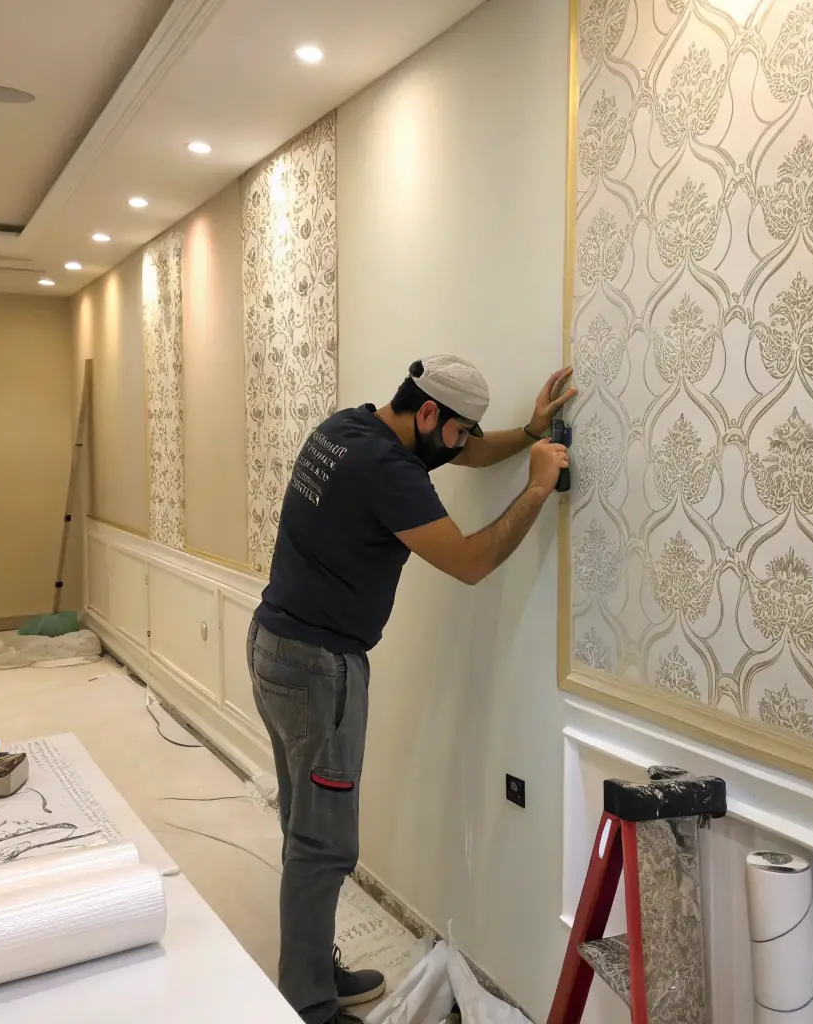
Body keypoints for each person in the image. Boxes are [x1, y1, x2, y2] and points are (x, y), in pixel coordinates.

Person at [247, 355, 576, 1024]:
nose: (463, 447)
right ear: (428, 413)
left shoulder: (348, 429)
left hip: (273, 645)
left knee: (302, 825)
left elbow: (466, 452)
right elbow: (472, 561)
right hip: (319, 670)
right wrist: (538, 487)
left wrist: (526, 431)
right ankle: (308, 1002)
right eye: (459, 433)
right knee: (325, 844)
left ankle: (311, 967)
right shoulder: (387, 472)